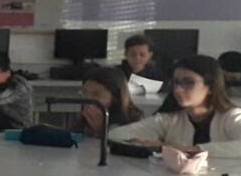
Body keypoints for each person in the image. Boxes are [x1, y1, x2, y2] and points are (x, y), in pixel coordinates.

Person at [110, 55, 241, 156]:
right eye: (176, 82)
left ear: (211, 86)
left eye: (189, 83)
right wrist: (147, 144)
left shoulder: (231, 117)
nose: (178, 89)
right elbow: (116, 134)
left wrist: (183, 149)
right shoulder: (169, 119)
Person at [74, 66, 143, 138]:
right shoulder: (83, 120)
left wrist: (100, 131)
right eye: (85, 92)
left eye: (96, 94)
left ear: (116, 97)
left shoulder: (132, 126)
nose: (88, 99)